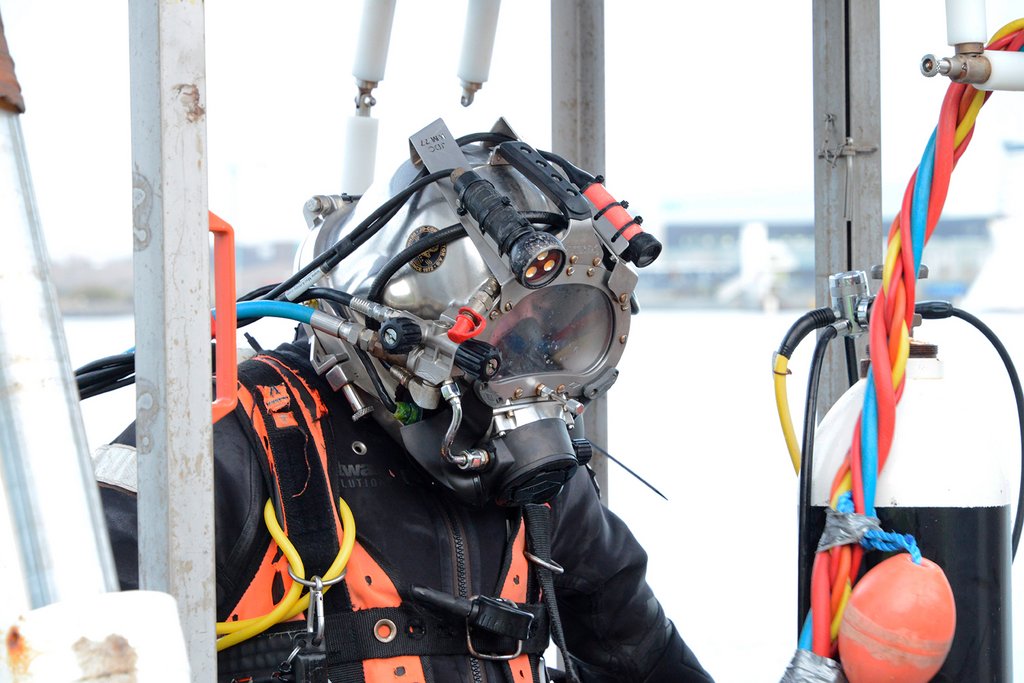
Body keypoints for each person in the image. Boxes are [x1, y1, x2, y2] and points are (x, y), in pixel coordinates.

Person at [95, 120, 714, 682]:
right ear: (406, 325)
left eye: (553, 341)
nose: (530, 379)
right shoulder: (233, 435)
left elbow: (645, 656)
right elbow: (76, 634)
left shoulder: (546, 492)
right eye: (505, 338)